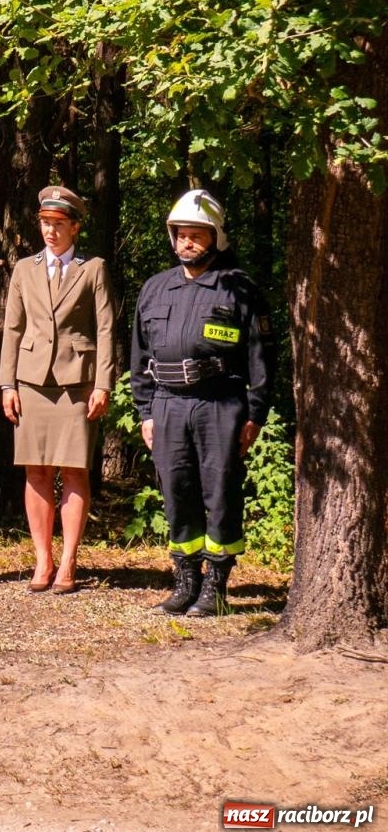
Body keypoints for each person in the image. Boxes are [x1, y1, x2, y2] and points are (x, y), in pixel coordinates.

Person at [131, 189, 275, 617]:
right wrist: (145, 411)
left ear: (215, 238)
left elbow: (261, 357)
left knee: (220, 491)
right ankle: (185, 578)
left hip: (219, 405)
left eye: (197, 235)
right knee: (176, 490)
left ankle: (216, 582)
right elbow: (139, 355)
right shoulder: (155, 289)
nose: (187, 243)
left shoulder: (238, 288)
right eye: (181, 235)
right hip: (168, 404)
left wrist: (255, 413)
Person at [0, 185, 118, 594]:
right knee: (36, 470)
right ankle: (42, 560)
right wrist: (6, 384)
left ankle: (68, 562)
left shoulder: (93, 269)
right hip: (31, 382)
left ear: (75, 227)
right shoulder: (24, 269)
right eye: (45, 223)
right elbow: (12, 329)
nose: (50, 231)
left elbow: (105, 329)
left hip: (76, 384)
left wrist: (103, 383)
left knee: (73, 470)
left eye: (58, 224)